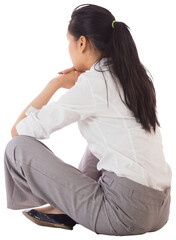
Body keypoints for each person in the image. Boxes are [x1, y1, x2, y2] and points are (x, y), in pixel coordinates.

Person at [4, 3, 172, 236]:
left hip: (123, 213)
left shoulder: (95, 83)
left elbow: (18, 131)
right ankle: (63, 209)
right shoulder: (136, 77)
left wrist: (55, 84)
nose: (69, 48)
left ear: (81, 42)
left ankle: (62, 205)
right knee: (103, 138)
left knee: (17, 147)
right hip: (161, 210)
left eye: (68, 41)